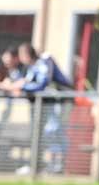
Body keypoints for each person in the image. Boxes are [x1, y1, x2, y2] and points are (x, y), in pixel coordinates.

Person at [13, 42, 72, 174]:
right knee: (47, 132)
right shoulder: (31, 68)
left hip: (60, 101)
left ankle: (58, 166)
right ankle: (41, 165)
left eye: (22, 55)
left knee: (54, 130)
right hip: (48, 104)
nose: (21, 58)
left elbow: (41, 84)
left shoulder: (45, 61)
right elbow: (26, 83)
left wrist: (21, 86)